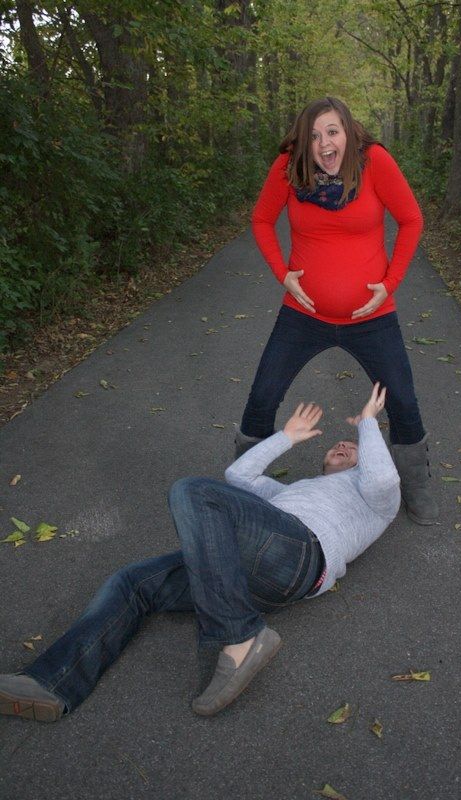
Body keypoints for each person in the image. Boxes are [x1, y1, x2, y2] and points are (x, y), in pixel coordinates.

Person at [0, 384, 399, 722]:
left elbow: (382, 477)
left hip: (301, 553)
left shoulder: (374, 500)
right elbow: (239, 477)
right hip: (255, 573)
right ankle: (50, 683)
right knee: (136, 582)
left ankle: (240, 637)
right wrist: (286, 438)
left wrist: (367, 423)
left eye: (355, 446)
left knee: (193, 491)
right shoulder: (291, 492)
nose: (344, 444)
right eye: (340, 441)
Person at [236, 96, 438, 525]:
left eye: (332, 131)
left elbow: (412, 219)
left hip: (372, 318)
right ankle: (244, 487)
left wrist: (389, 285)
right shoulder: (290, 169)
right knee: (262, 397)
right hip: (303, 316)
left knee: (403, 400)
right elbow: (260, 220)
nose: (323, 143)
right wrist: (283, 274)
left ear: (348, 132)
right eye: (313, 135)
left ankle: (416, 485)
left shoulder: (375, 163)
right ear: (303, 142)